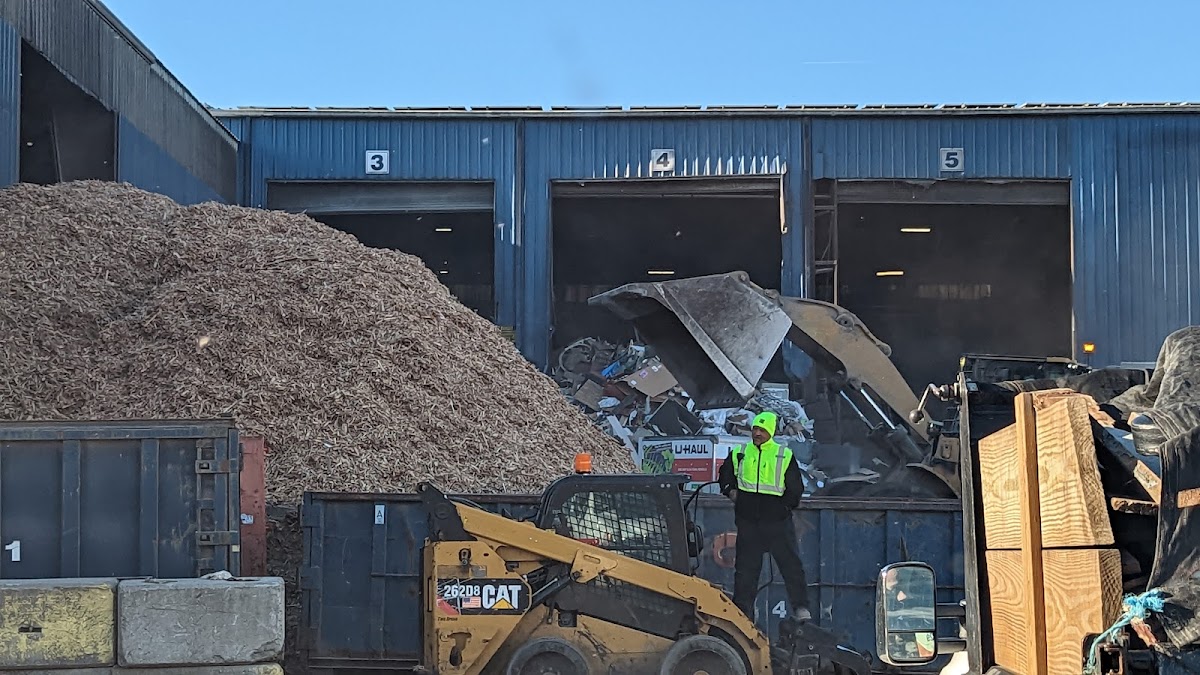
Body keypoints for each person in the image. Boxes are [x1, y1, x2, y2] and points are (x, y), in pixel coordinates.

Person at [718, 411, 811, 621]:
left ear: (771, 431)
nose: (757, 433)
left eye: (762, 430)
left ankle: (801, 607)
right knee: (745, 571)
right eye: (755, 429)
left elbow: (795, 488)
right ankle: (742, 613)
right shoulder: (740, 452)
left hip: (777, 523)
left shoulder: (783, 455)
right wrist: (732, 493)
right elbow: (725, 476)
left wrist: (783, 508)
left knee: (791, 566)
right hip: (749, 522)